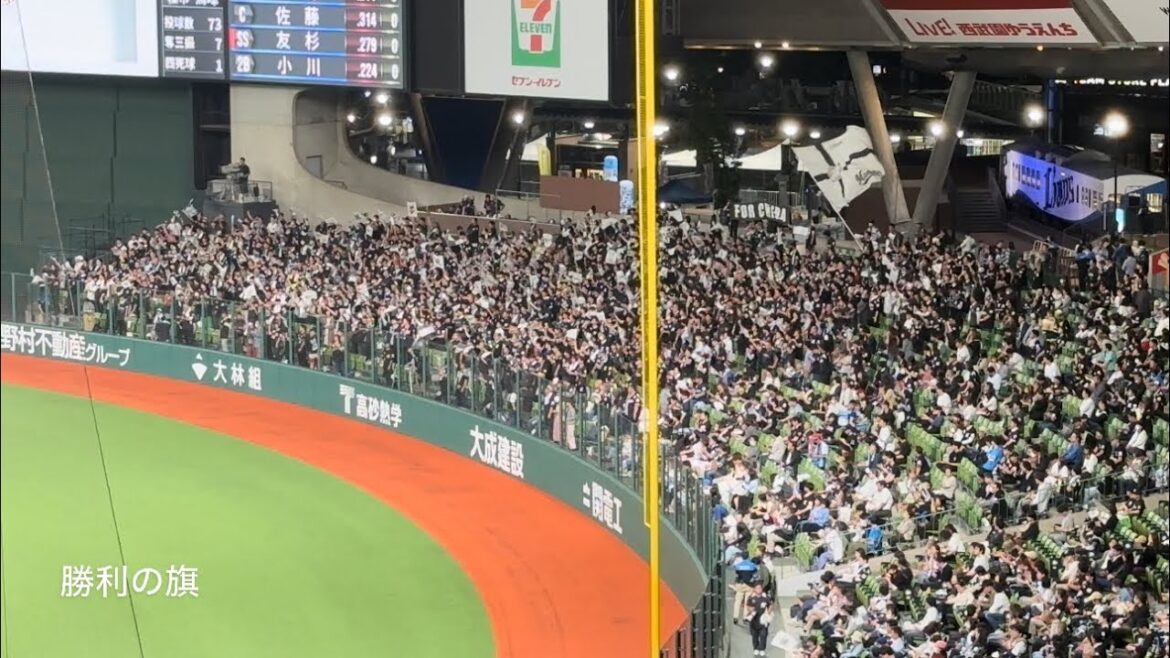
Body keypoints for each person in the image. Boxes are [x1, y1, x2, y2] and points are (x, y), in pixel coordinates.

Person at [747, 582, 773, 656]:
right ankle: (756, 648)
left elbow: (770, 605)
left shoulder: (766, 597)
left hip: (763, 620)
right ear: (754, 589)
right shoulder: (751, 597)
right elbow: (748, 606)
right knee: (754, 635)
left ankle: (762, 648)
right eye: (757, 588)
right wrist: (751, 611)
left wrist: (768, 612)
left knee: (763, 635)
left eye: (760, 588)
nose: (759, 589)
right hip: (754, 620)